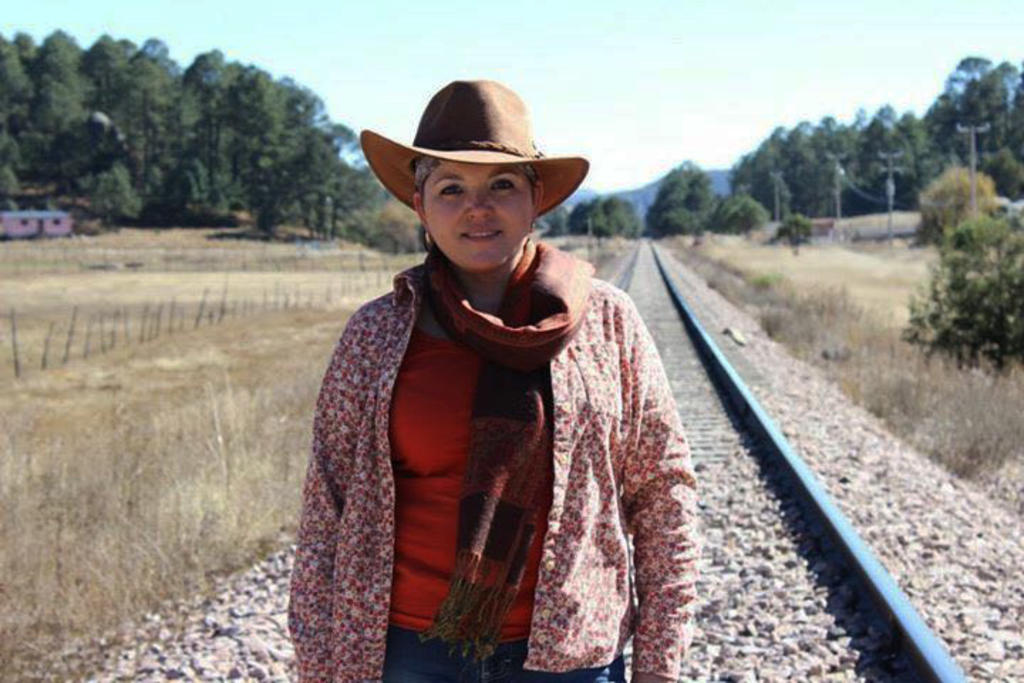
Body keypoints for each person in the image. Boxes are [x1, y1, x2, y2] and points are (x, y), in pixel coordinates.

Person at [288, 80, 699, 683]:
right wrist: (319, 663)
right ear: (421, 205)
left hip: (569, 655)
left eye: (501, 185)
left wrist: (660, 663)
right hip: (406, 651)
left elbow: (663, 494)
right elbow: (326, 507)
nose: (477, 208)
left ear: (536, 199)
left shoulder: (608, 322)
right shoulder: (375, 335)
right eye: (451, 188)